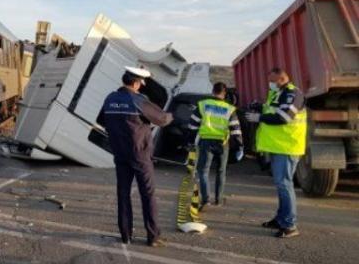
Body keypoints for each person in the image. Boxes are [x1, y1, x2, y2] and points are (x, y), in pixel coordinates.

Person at [99, 67, 173, 247]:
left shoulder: (110, 99)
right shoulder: (138, 100)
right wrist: (171, 115)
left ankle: (125, 234)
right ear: (136, 83)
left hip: (119, 154)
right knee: (147, 194)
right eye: (140, 83)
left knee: (123, 193)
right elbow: (163, 119)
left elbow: (102, 120)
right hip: (140, 154)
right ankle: (153, 237)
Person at [245, 68, 307, 238]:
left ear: (282, 78)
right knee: (281, 185)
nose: (270, 84)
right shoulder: (279, 93)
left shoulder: (293, 94)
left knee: (285, 185)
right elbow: (273, 110)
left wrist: (259, 118)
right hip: (278, 146)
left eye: (272, 81)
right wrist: (260, 107)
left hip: (287, 147)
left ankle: (289, 225)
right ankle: (281, 219)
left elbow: (284, 117)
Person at [187, 82, 244, 211]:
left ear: (212, 91)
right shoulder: (230, 109)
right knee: (221, 171)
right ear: (224, 94)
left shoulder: (202, 105)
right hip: (223, 144)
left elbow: (192, 125)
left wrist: (190, 141)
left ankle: (206, 200)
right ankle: (218, 200)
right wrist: (240, 146)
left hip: (206, 142)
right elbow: (236, 129)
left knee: (203, 171)